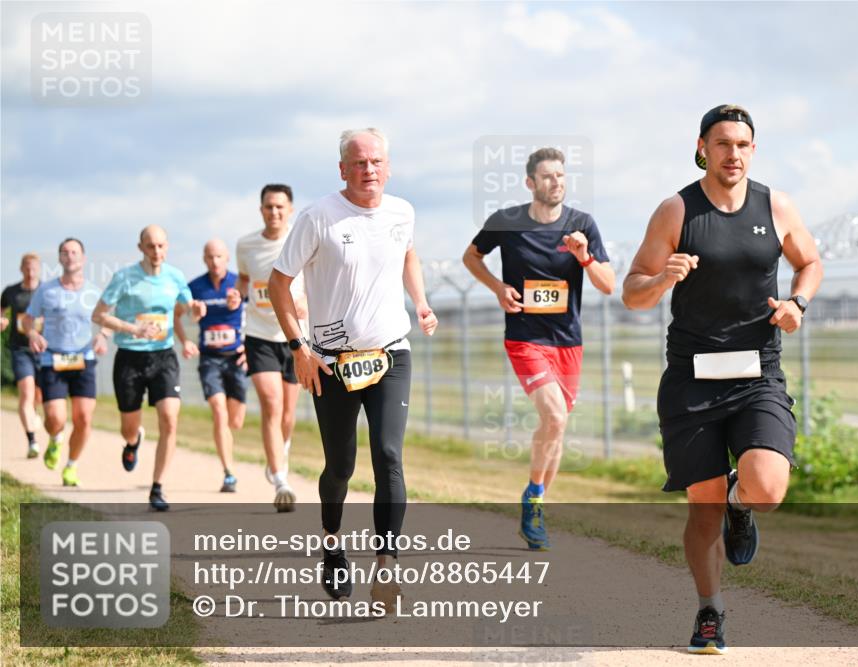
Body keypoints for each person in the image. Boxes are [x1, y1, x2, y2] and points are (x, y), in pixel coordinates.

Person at [622, 104, 823, 654]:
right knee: (701, 507)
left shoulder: (775, 205)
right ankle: (710, 612)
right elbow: (632, 292)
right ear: (702, 147)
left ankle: (743, 502)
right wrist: (662, 277)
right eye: (722, 144)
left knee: (769, 487)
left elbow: (810, 261)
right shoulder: (676, 210)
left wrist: (797, 302)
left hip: (758, 373)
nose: (732, 154)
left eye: (742, 145)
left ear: (752, 150)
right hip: (692, 379)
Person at [269, 127, 437, 607]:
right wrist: (299, 349)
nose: (369, 171)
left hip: (390, 353)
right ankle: (331, 541)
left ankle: (387, 564)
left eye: (377, 162)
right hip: (331, 362)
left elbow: (407, 253)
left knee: (388, 455)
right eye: (359, 163)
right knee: (340, 466)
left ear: (388, 165)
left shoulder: (401, 211)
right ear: (342, 169)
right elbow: (279, 283)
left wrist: (420, 302)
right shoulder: (317, 217)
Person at [462, 147, 614, 550]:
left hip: (568, 341)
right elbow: (471, 256)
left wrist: (584, 257)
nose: (556, 183)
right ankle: (532, 495)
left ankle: (538, 500)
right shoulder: (507, 222)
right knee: (555, 417)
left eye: (561, 176)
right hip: (525, 336)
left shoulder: (582, 224)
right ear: (530, 183)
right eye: (547, 177)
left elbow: (608, 283)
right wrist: (497, 287)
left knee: (556, 427)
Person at [92, 225, 196, 511]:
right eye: (151, 246)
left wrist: (196, 310)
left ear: (167, 246)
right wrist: (132, 328)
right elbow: (99, 315)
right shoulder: (124, 277)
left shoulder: (175, 276)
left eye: (161, 246)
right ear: (141, 248)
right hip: (129, 357)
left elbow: (188, 306)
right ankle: (133, 441)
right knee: (128, 427)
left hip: (163, 357)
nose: (157, 252)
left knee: (169, 419)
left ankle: (157, 487)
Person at [236, 184, 307, 512]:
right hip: (260, 336)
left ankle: (282, 450)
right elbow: (244, 281)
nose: (274, 212)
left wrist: (306, 301)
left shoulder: (301, 239)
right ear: (261, 209)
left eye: (280, 207)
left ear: (290, 209)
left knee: (288, 414)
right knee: (271, 403)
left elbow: (315, 280)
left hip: (294, 337)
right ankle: (280, 480)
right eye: (268, 207)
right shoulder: (246, 245)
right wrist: (237, 295)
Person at [23, 238, 109, 486]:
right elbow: (29, 320)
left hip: (84, 359)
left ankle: (71, 466)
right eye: (65, 252)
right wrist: (33, 334)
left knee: (83, 419)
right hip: (54, 359)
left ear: (83, 258)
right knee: (55, 419)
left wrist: (103, 336)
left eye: (74, 252)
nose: (70, 256)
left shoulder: (94, 292)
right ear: (60, 259)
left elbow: (107, 320)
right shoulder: (46, 290)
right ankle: (55, 438)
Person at [185, 239, 248, 493]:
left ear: (227, 259)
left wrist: (249, 346)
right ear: (204, 258)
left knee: (235, 421)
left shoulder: (239, 283)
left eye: (219, 257)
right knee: (219, 412)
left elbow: (262, 314)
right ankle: (229, 473)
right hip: (210, 358)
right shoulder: (195, 287)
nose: (215, 262)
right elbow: (179, 313)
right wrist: (192, 318)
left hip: (236, 357)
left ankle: (228, 450)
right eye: (210, 257)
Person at [1, 253, 43, 456]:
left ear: (39, 269)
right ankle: (32, 441)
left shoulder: (46, 291)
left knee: (39, 396)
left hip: (43, 350)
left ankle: (34, 415)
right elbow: (1, 311)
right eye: (27, 267)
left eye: (33, 267)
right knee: (26, 392)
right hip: (20, 349)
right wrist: (2, 320)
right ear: (21, 268)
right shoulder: (11, 292)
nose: (30, 270)